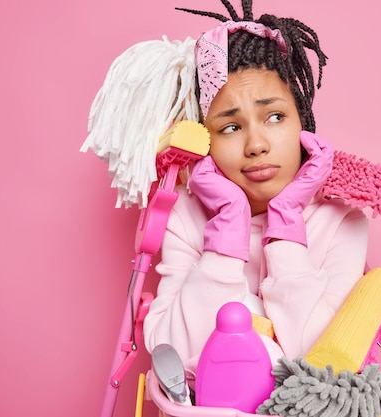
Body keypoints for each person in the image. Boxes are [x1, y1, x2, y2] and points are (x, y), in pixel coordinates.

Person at [143, 0, 369, 377]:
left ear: (304, 123)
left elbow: (324, 364)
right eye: (230, 127)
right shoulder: (184, 214)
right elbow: (173, 356)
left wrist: (286, 219)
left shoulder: (343, 218)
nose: (256, 145)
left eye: (275, 117)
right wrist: (229, 224)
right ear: (206, 141)